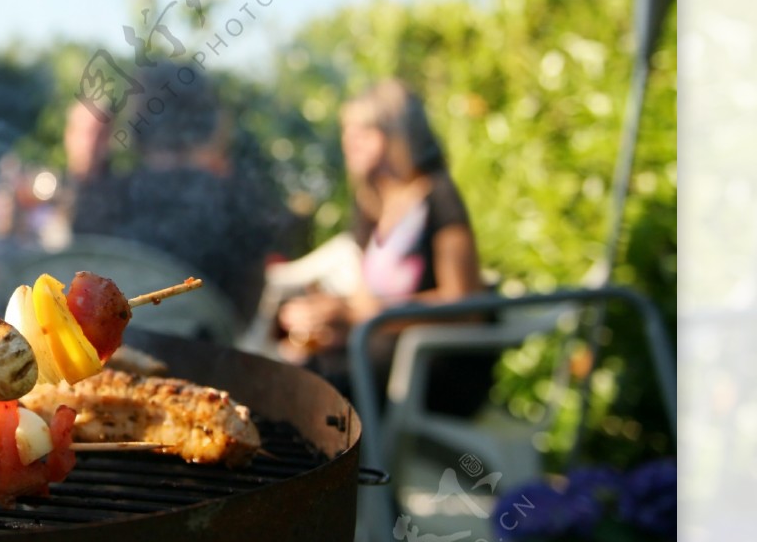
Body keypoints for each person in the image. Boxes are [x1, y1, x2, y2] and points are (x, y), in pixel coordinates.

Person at [276, 79, 487, 404]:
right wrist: (329, 324)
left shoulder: (439, 195)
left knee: (317, 384)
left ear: (398, 134)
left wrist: (358, 314)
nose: (350, 142)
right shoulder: (370, 205)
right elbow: (362, 300)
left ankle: (362, 455)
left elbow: (464, 306)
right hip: (382, 348)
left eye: (364, 132)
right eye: (347, 132)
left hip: (434, 362)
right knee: (293, 359)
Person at [71, 63, 286, 330]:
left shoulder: (101, 198)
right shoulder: (239, 202)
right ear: (208, 121)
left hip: (106, 355)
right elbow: (244, 315)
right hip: (208, 360)